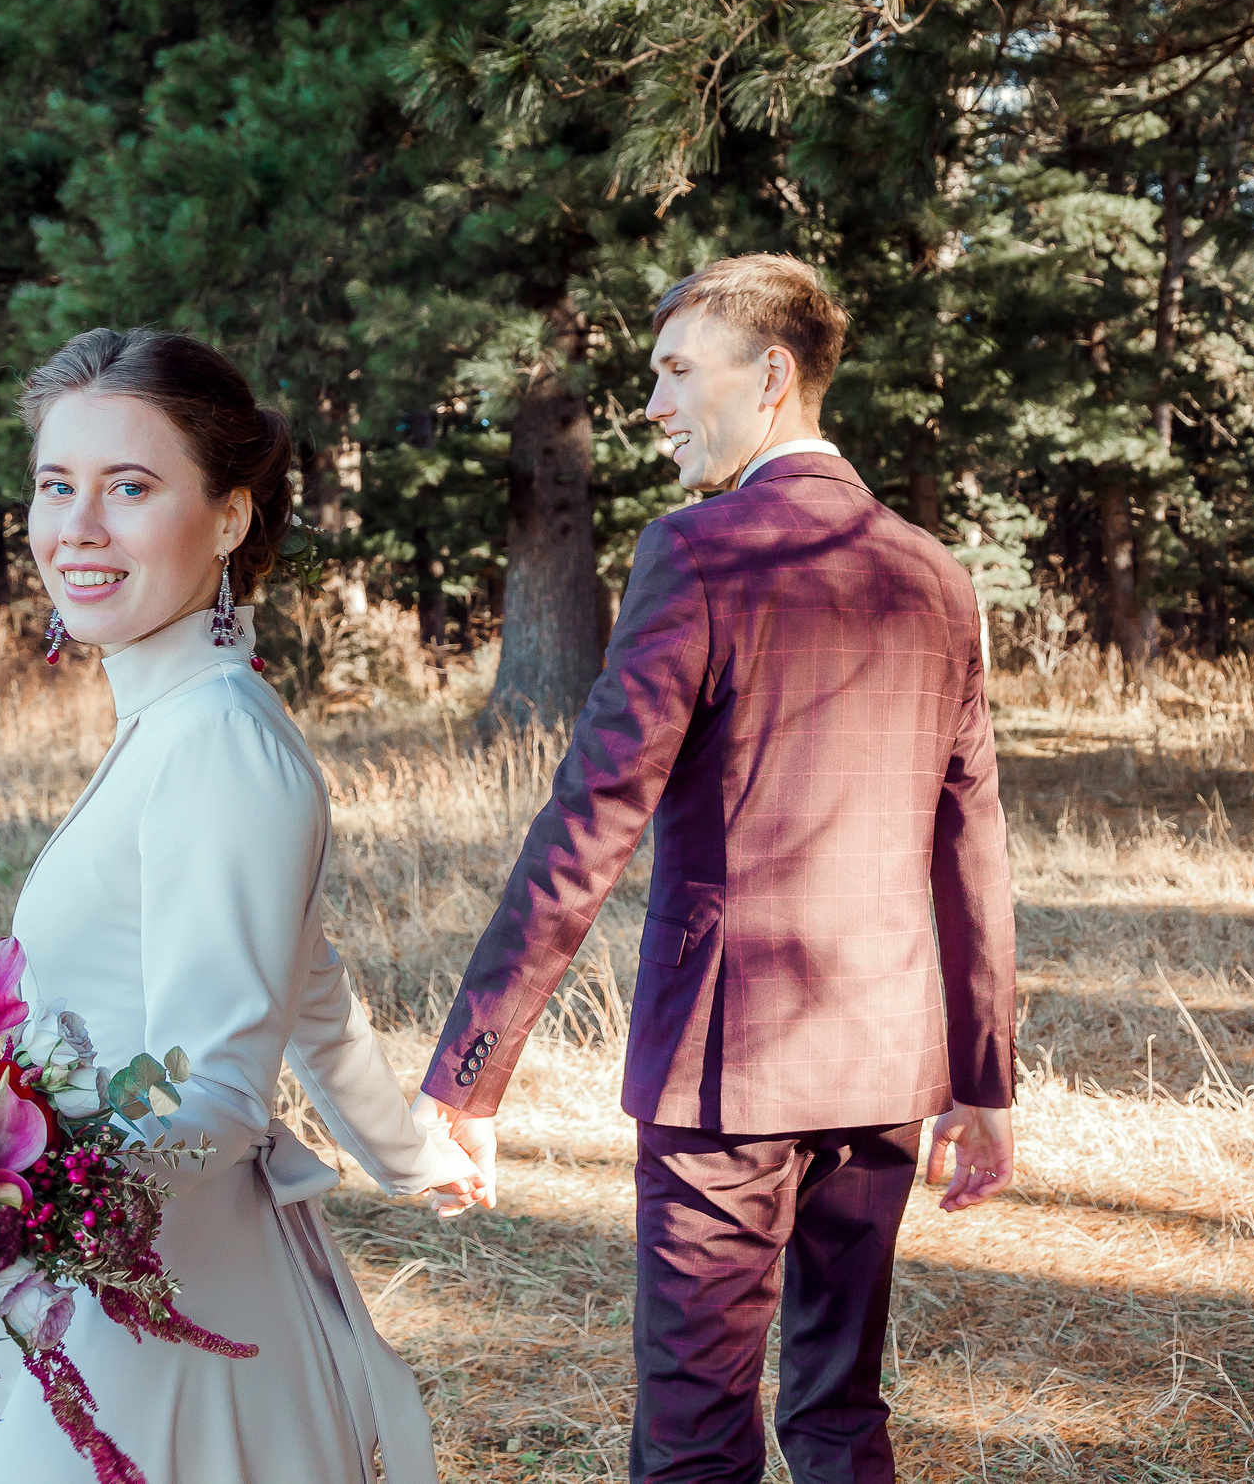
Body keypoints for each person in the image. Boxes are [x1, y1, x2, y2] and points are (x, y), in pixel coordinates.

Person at [413, 254, 1020, 1483]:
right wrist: (981, 1076)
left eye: (678, 371)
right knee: (839, 1412)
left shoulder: (698, 551)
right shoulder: (935, 571)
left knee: (695, 1431)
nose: (654, 404)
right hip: (886, 1060)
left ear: (772, 374)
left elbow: (591, 815)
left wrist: (472, 1071)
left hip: (722, 1068)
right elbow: (973, 837)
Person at [0, 327, 480, 1484]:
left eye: (129, 488)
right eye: (55, 485)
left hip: (152, 1300)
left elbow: (215, 1091)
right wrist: (408, 1154)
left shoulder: (218, 744)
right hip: (105, 1281)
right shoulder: (181, 724)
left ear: (231, 517)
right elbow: (307, 982)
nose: (75, 528)